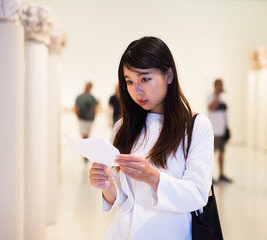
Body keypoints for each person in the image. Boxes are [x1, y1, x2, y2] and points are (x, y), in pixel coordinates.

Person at [88, 36, 214, 239]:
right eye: (129, 81)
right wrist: (107, 185)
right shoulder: (123, 126)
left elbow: (198, 195)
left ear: (169, 75)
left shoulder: (195, 127)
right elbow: (122, 198)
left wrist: (152, 177)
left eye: (145, 79)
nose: (136, 90)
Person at [207, 78, 233, 183]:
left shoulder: (223, 97)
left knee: (222, 153)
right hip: (214, 131)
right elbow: (211, 107)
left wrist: (226, 127)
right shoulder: (211, 96)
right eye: (219, 85)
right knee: (211, 154)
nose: (221, 86)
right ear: (215, 86)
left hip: (222, 131)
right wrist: (217, 95)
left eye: (222, 84)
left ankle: (221, 174)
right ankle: (210, 176)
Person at [74, 82, 98, 162]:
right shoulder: (79, 97)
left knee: (87, 136)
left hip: (89, 119)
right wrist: (78, 116)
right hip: (82, 118)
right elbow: (76, 107)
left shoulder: (92, 98)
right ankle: (84, 152)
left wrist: (94, 116)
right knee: (83, 136)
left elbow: (94, 108)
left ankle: (85, 152)